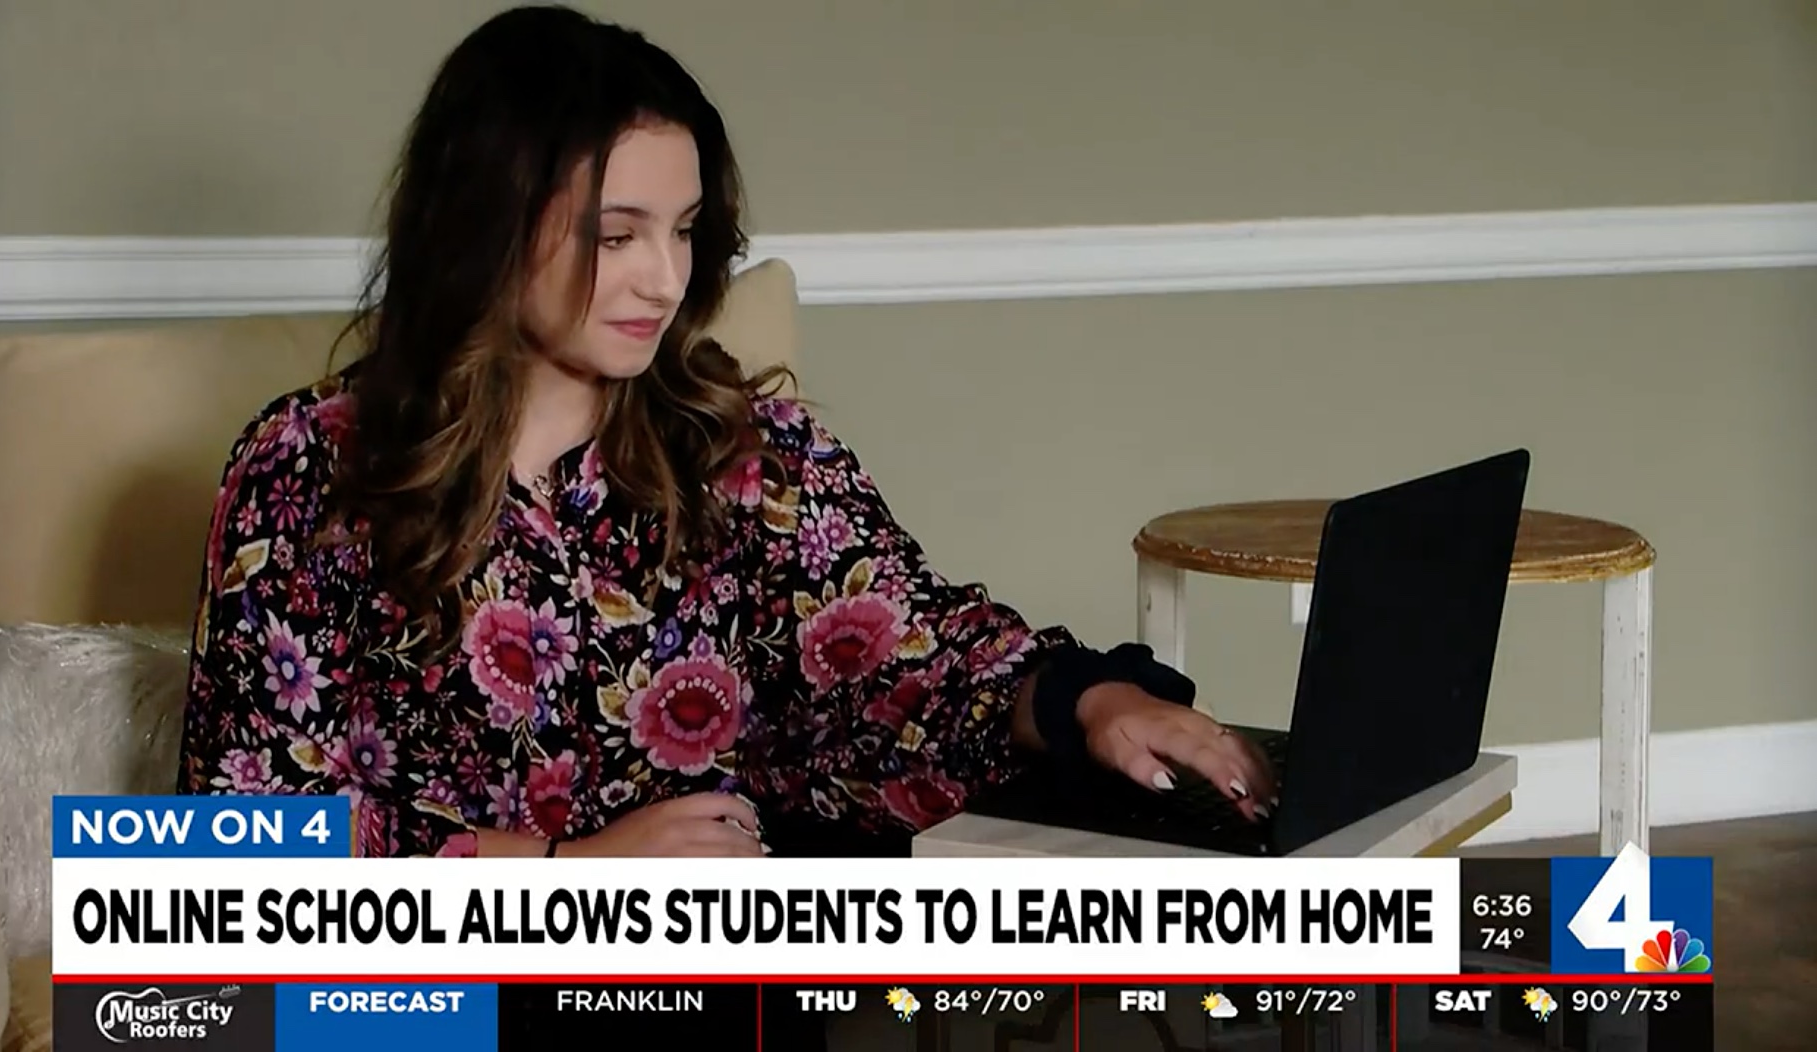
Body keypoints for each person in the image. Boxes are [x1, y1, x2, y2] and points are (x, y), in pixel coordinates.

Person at [174, 4, 1276, 863]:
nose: (667, 277)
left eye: (688, 231)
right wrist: (568, 869)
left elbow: (907, 655)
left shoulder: (750, 453)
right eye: (618, 235)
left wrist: (1091, 697)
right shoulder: (310, 469)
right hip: (421, 1003)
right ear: (486, 227)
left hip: (713, 976)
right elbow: (246, 840)